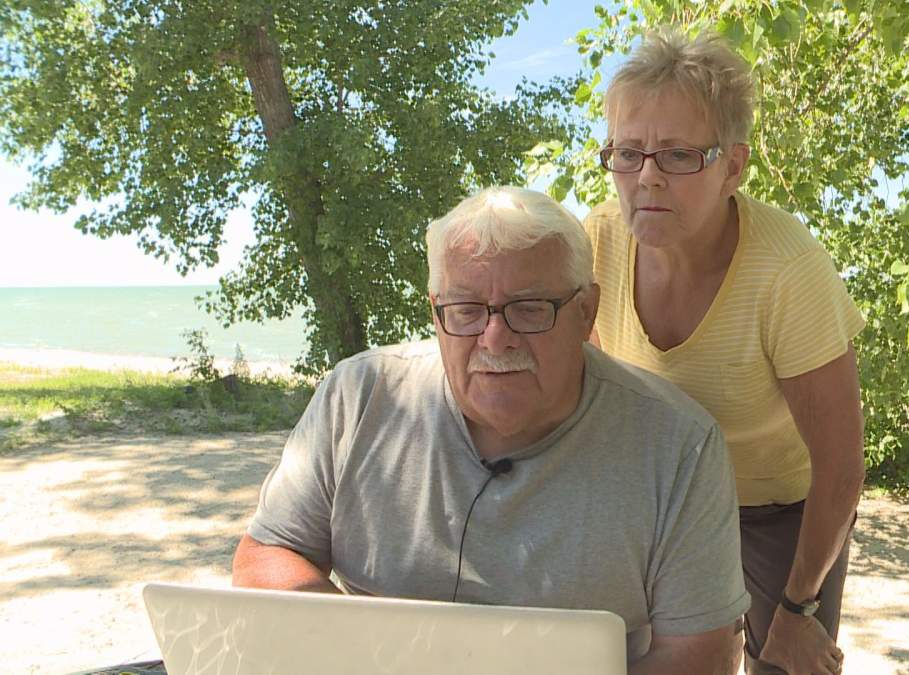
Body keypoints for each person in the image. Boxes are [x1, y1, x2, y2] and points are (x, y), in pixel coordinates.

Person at [232, 186, 750, 674]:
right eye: (466, 310)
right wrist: (365, 650)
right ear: (435, 315)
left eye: (529, 309)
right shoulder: (359, 397)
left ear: (585, 311)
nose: (495, 339)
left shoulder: (679, 445)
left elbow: (699, 656)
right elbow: (267, 555)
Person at [582, 30, 866, 675]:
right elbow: (588, 394)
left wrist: (797, 611)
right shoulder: (596, 241)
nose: (647, 177)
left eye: (679, 155)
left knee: (786, 665)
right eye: (628, 153)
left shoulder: (787, 269)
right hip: (661, 500)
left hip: (780, 511)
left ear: (733, 167)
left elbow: (842, 465)